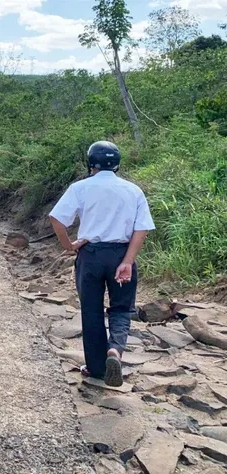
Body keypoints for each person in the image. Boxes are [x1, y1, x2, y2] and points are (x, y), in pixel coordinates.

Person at [49, 141, 155, 387]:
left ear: (91, 163)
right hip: (121, 254)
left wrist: (68, 245)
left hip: (90, 254)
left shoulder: (81, 187)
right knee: (121, 307)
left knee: (91, 309)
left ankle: (96, 369)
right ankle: (115, 351)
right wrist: (128, 261)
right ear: (117, 164)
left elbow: (56, 218)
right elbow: (141, 229)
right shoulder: (133, 190)